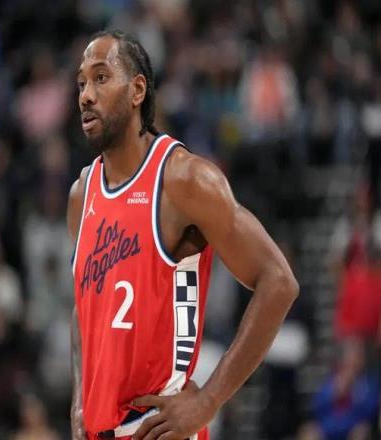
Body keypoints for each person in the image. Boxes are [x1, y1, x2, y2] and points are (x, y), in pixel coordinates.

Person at [67, 30, 299, 440]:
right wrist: (78, 398)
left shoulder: (183, 179)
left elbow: (279, 282)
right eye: (82, 82)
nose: (86, 95)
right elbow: (84, 307)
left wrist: (209, 400)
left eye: (101, 78)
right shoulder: (82, 193)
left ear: (137, 90)